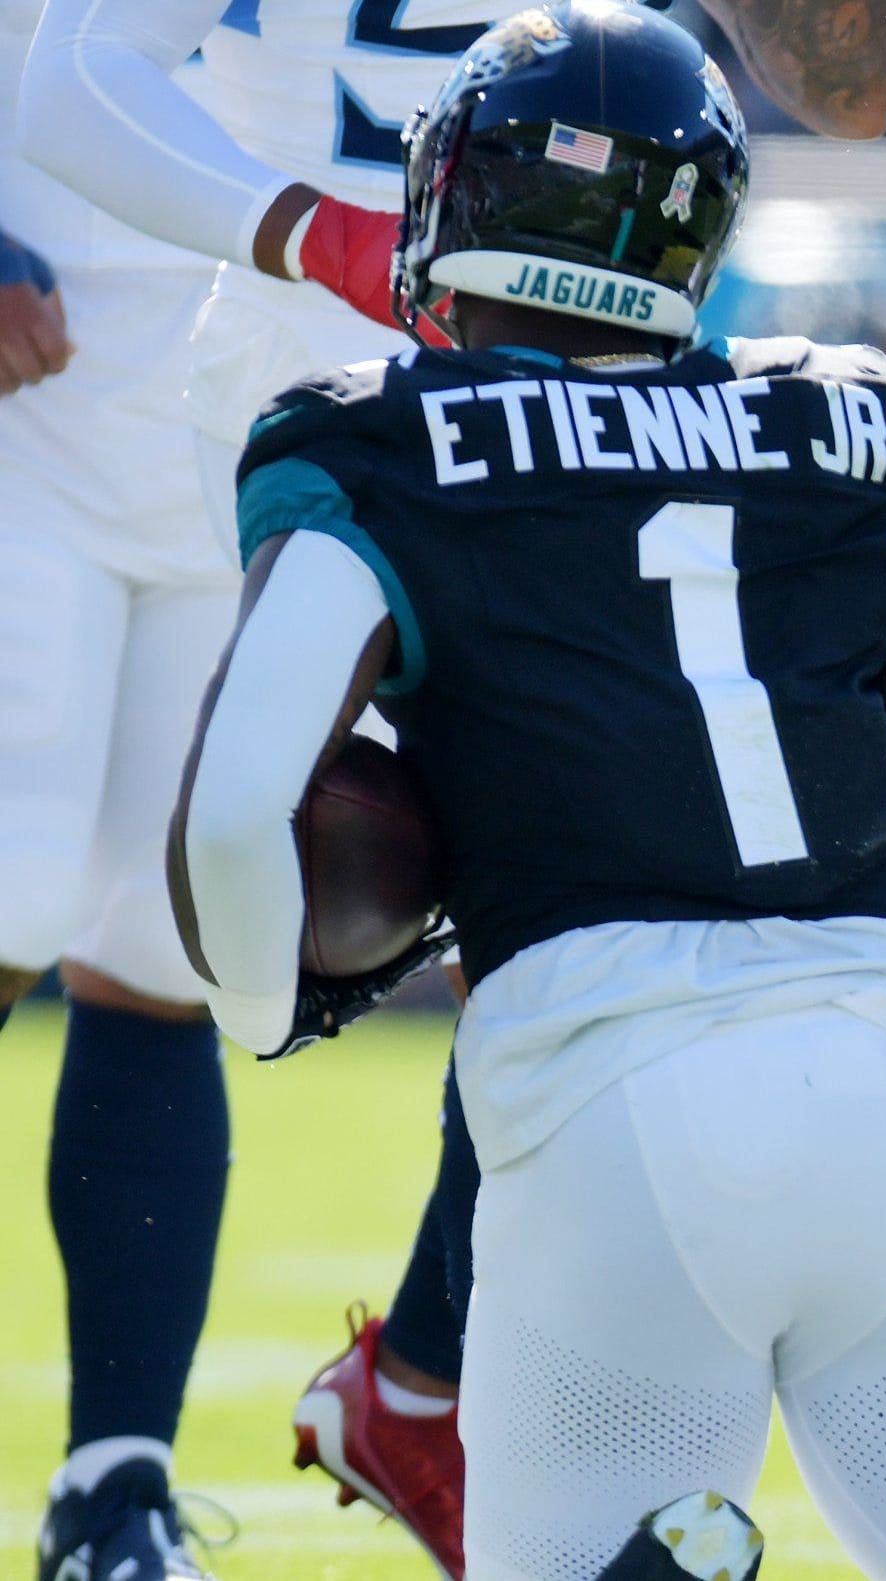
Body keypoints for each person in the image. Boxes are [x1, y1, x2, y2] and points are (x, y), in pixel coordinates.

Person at [165, 8, 886, 1579]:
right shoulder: (852, 424)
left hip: (601, 1090)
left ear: (457, 196)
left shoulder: (379, 439)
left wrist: (271, 1006)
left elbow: (231, 808)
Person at [14, 0, 886, 1570]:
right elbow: (72, 74)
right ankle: (407, 1398)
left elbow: (851, 91)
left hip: (376, 431)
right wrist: (315, 233)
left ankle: (153, 1474)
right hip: (90, 383)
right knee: (19, 888)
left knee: (552, 881)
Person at [0, 5, 259, 1576]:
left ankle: (116, 1483)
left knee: (167, 955)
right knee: (6, 890)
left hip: (239, 406)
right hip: (31, 389)